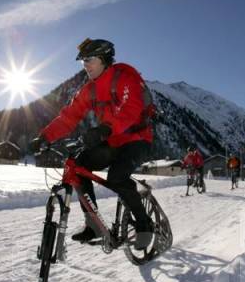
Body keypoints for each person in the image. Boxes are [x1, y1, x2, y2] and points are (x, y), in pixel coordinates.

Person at [31, 38, 154, 250]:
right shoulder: (90, 89)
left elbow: (131, 111)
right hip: (112, 141)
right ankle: (93, 225)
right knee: (78, 167)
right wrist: (45, 137)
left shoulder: (125, 79)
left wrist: (105, 129)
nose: (85, 65)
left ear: (104, 59)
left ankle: (145, 224)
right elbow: (69, 117)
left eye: (89, 60)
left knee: (117, 177)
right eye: (83, 62)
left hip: (137, 140)